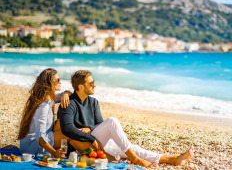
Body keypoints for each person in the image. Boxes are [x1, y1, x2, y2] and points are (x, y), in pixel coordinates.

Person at [58, 70, 194, 168]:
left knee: (129, 147)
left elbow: (99, 124)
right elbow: (67, 129)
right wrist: (91, 138)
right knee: (112, 122)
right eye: (91, 83)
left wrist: (90, 129)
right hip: (81, 146)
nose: (95, 85)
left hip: (95, 139)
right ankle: (135, 159)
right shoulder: (68, 103)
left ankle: (173, 160)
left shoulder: (93, 102)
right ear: (81, 87)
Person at [18, 68, 71, 158]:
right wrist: (54, 152)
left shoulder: (51, 98)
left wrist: (66, 93)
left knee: (63, 125)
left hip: (45, 136)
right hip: (33, 146)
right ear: (49, 83)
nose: (60, 82)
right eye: (57, 80)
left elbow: (70, 93)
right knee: (70, 133)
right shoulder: (43, 105)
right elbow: (40, 135)